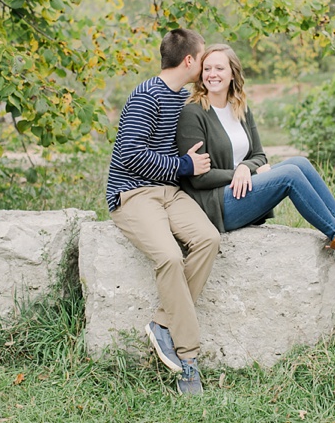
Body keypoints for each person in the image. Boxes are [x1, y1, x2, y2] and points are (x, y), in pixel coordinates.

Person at [176, 42, 335, 263]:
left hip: (241, 191)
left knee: (299, 163)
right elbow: (197, 178)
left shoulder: (239, 107)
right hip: (216, 204)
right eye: (207, 69)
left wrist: (246, 168)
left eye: (219, 68)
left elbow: (259, 156)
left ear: (232, 74)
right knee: (289, 176)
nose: (212, 74)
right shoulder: (193, 113)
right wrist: (238, 172)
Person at [107, 26, 216, 397]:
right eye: (202, 60)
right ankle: (188, 359)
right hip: (133, 194)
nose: (203, 67)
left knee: (207, 239)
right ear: (189, 60)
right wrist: (185, 166)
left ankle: (162, 323)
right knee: (169, 256)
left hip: (169, 192)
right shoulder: (146, 96)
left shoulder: (181, 96)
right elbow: (131, 155)